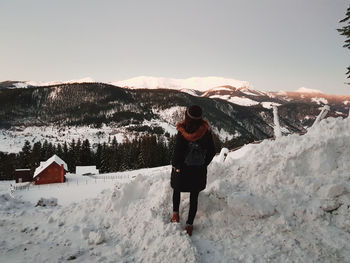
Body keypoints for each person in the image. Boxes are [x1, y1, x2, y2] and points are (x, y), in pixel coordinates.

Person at [170, 105, 216, 236]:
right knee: (194, 196)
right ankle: (189, 225)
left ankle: (175, 215)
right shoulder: (205, 132)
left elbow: (177, 152)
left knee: (177, 190)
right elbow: (212, 151)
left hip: (183, 170)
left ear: (187, 117)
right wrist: (203, 164)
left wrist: (176, 166)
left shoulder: (183, 131)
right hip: (198, 171)